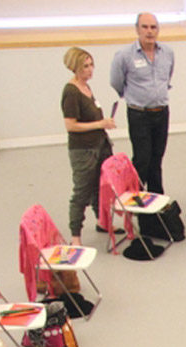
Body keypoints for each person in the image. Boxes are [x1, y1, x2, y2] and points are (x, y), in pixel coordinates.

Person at [109, 12, 173, 193]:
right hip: (139, 114)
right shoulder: (124, 55)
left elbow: (167, 77)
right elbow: (116, 81)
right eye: (145, 27)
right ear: (137, 29)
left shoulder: (167, 53)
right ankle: (134, 197)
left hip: (161, 113)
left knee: (157, 159)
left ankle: (157, 199)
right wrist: (133, 96)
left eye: (153, 27)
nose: (149, 31)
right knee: (142, 159)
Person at [60, 47, 114, 246]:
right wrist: (100, 124)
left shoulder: (86, 87)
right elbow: (70, 125)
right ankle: (75, 236)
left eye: (91, 65)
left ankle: (103, 221)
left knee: (100, 187)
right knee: (82, 191)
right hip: (83, 150)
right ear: (75, 67)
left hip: (99, 146)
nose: (90, 70)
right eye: (85, 66)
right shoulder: (71, 92)